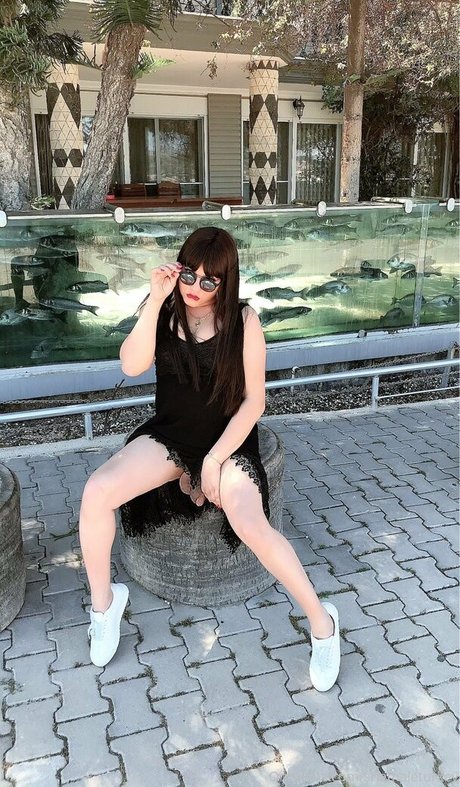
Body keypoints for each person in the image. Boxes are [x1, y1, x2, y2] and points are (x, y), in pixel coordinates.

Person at [79, 226, 340, 691]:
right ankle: (104, 606)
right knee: (97, 491)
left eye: (208, 280)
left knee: (250, 523)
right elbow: (130, 365)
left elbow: (255, 402)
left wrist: (215, 460)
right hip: (171, 436)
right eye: (188, 275)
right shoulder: (164, 309)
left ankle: (323, 623)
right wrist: (155, 299)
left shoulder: (244, 320)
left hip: (228, 440)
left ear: (225, 280)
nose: (195, 288)